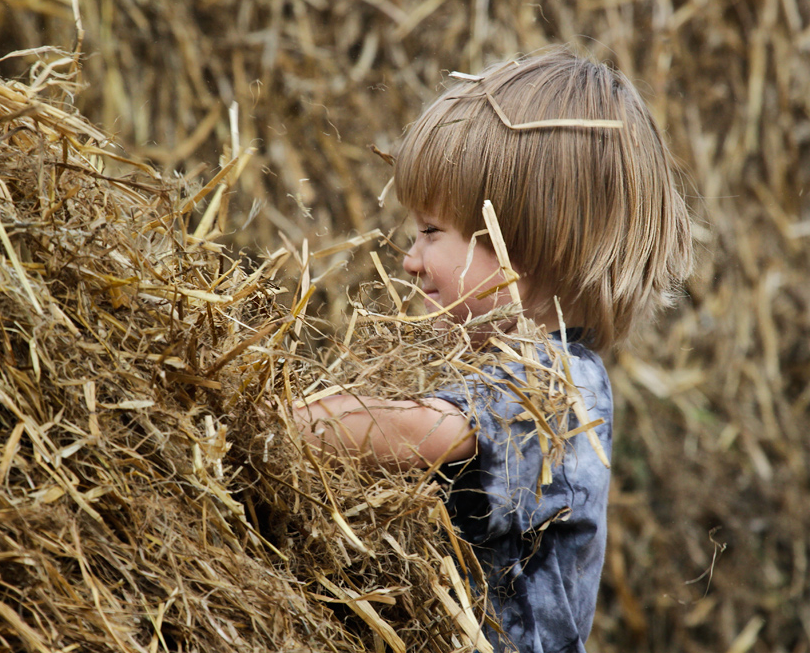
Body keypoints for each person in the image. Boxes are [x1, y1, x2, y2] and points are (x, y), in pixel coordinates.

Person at [294, 48, 693, 653]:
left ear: (524, 247)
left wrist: (280, 421)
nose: (410, 260)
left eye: (430, 232)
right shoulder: (506, 370)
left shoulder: (557, 386)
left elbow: (417, 431)